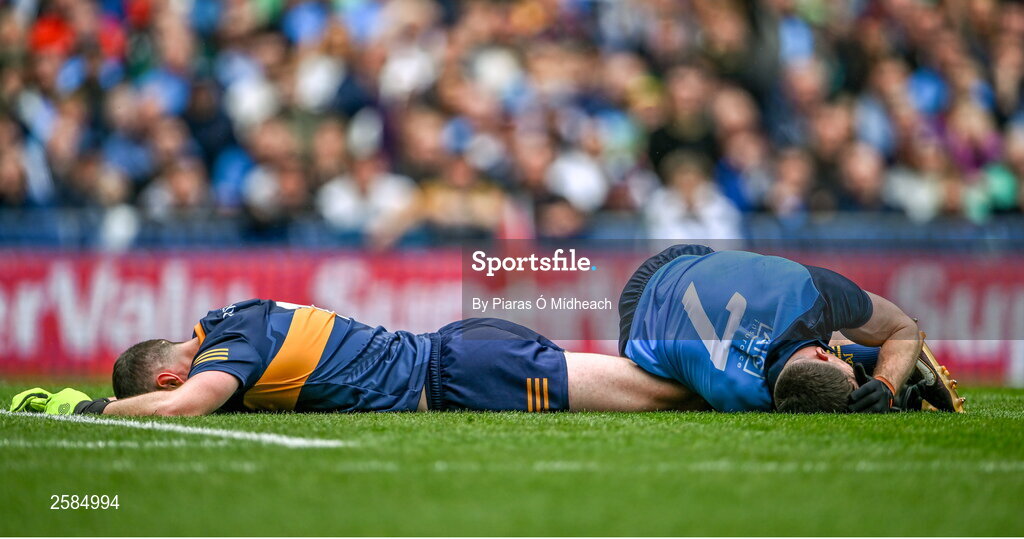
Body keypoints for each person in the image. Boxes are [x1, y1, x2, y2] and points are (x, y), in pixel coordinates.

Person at [10, 300, 708, 416]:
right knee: (650, 385)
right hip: (459, 353)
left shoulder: (228, 351)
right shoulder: (226, 321)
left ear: (169, 370)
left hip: (462, 373)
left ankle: (768, 368)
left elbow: (186, 403)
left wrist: (92, 408)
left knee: (658, 392)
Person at [618, 244, 965, 413]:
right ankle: (869, 354)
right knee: (681, 391)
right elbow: (903, 326)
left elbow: (904, 329)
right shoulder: (742, 397)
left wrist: (885, 382)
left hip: (679, 268)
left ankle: (866, 353)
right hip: (644, 309)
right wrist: (888, 384)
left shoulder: (815, 292)